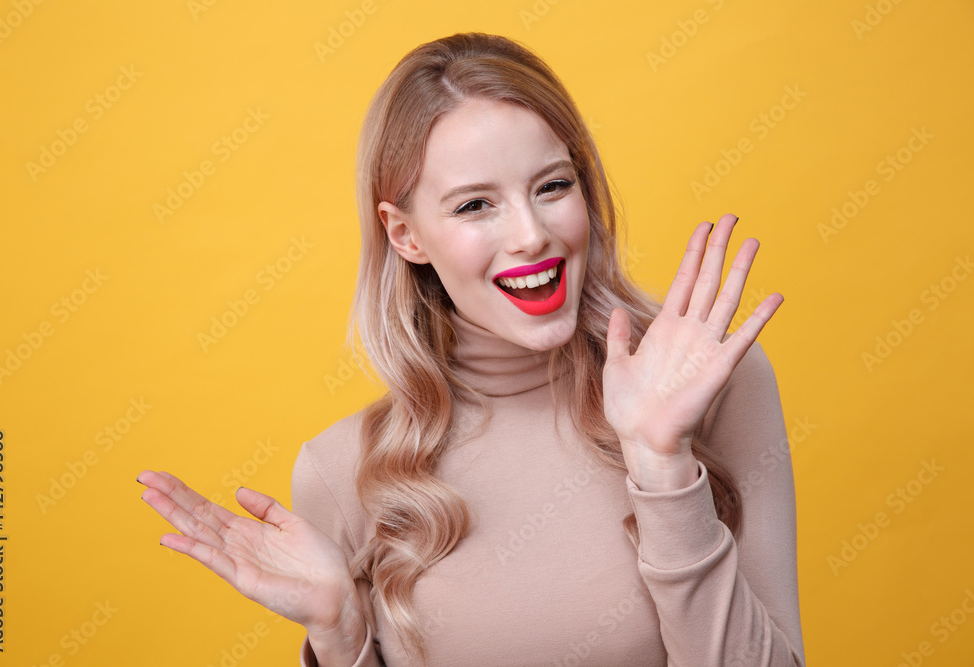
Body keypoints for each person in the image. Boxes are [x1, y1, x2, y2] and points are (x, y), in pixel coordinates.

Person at [139, 31, 805, 666]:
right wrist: (342, 641)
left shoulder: (712, 383)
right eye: (474, 206)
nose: (529, 235)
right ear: (406, 235)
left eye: (552, 186)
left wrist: (663, 466)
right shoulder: (342, 473)